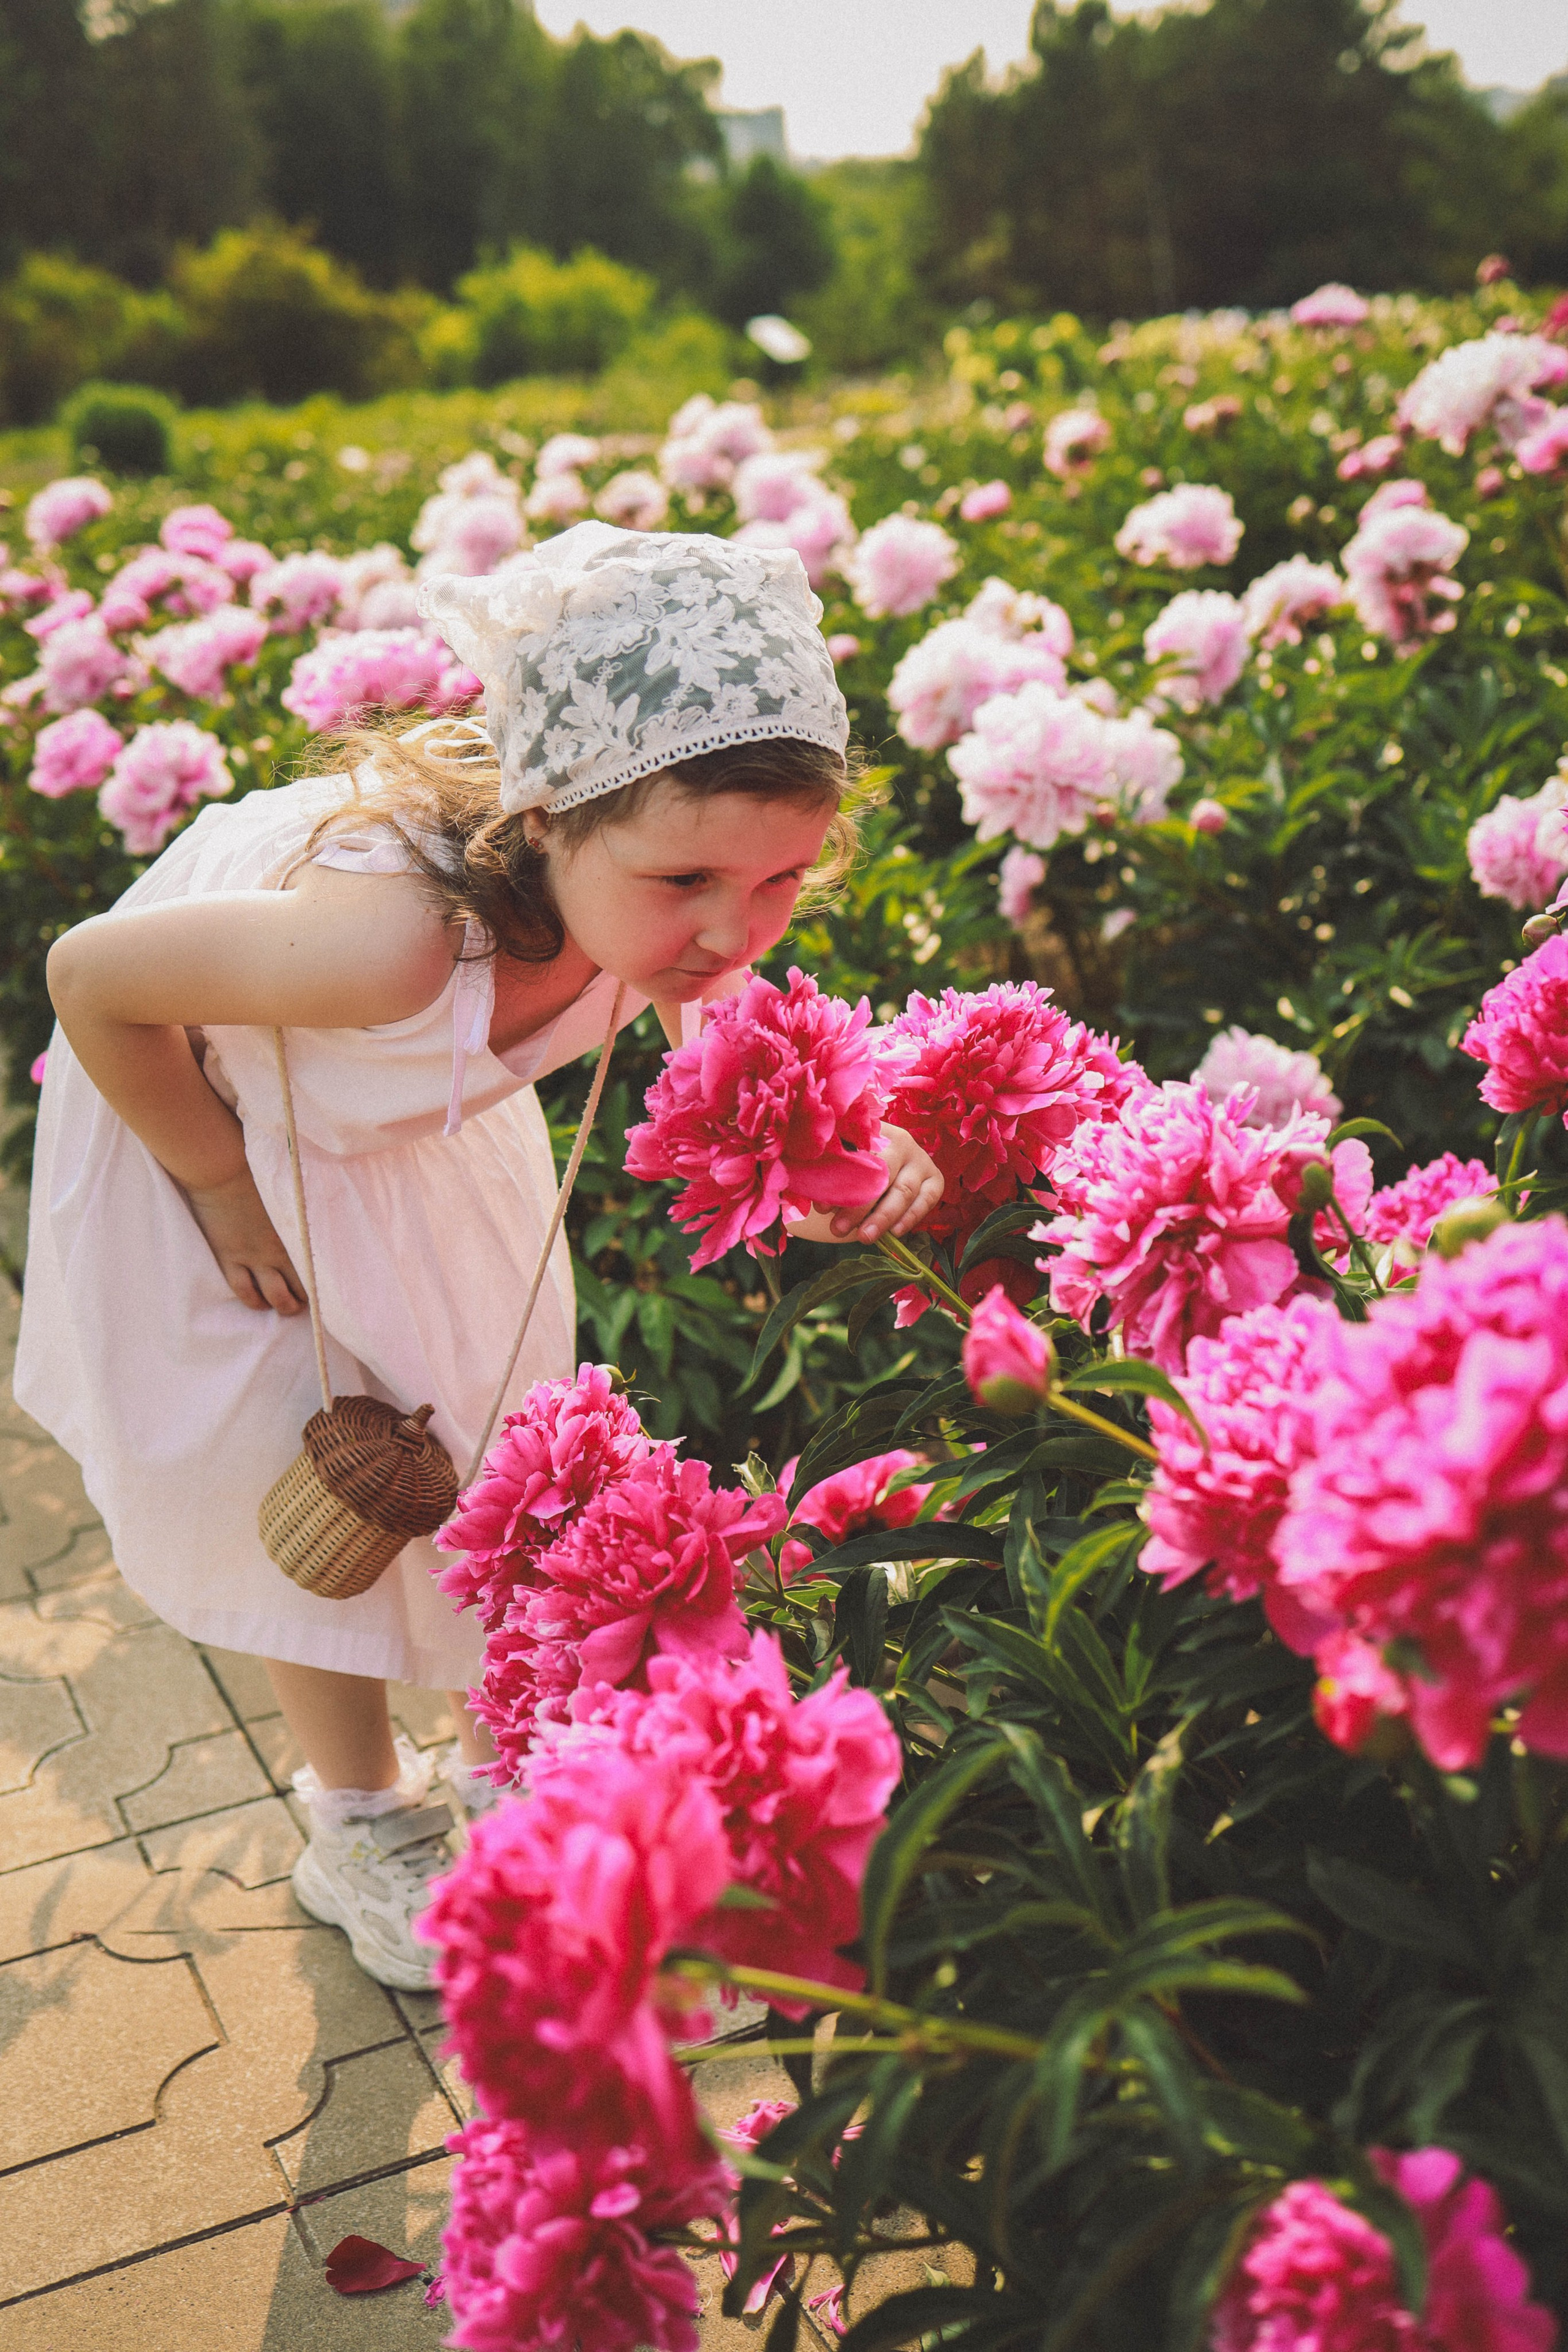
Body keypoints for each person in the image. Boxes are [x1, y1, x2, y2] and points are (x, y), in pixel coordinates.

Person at [16, 522, 944, 1990]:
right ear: (550, 821)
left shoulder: (673, 910)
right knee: (309, 1482)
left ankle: (491, 1756)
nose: (727, 932)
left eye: (779, 883)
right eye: (687, 881)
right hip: (214, 1142)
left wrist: (843, 1165)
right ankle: (357, 1820)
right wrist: (216, 1187)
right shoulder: (389, 941)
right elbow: (88, 979)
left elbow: (741, 1089)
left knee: (480, 1439)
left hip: (412, 1154)